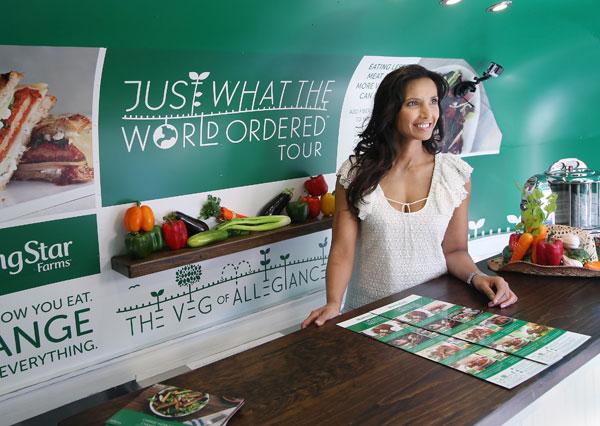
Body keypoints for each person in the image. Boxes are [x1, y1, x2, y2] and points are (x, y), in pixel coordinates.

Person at [302, 64, 517, 329]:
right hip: (368, 315)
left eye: (434, 102)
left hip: (433, 312)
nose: (428, 114)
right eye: (414, 103)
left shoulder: (454, 174)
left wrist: (477, 277)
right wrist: (333, 303)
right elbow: (342, 250)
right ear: (390, 110)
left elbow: (455, 250)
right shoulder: (355, 173)